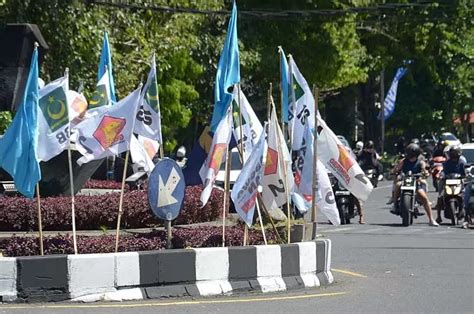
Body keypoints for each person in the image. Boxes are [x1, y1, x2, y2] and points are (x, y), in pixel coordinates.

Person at [390, 143, 439, 226]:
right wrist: (394, 172)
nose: (411, 156)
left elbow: (425, 170)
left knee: (424, 197)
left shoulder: (421, 162)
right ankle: (395, 204)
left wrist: (425, 173)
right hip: (404, 181)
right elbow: (396, 169)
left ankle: (431, 219)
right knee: (398, 185)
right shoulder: (403, 161)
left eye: (412, 154)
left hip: (415, 182)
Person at [435, 146, 466, 224]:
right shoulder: (445, 163)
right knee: (440, 196)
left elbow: (464, 173)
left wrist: (465, 176)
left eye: (455, 153)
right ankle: (438, 217)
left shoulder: (462, 162)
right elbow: (442, 171)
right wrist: (441, 175)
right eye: (452, 153)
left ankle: (467, 214)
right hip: (447, 181)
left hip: (459, 182)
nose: (454, 155)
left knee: (466, 195)